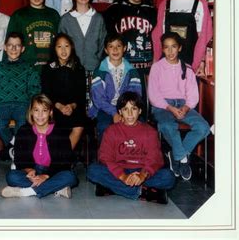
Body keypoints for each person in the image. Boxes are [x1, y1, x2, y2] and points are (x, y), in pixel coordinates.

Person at [87, 91, 176, 204]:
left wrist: (142, 175)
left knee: (168, 177)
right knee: (92, 170)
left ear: (139, 111)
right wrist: (123, 176)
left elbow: (154, 159)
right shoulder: (111, 131)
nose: (129, 114)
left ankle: (113, 188)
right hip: (119, 171)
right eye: (125, 109)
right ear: (120, 112)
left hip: (141, 171)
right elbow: (105, 158)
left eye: (133, 109)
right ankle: (142, 192)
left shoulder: (150, 132)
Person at [148, 32, 210, 181]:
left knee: (203, 127)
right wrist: (170, 108)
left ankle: (176, 156)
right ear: (162, 49)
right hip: (163, 106)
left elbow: (193, 95)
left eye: (174, 47)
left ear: (180, 48)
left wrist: (186, 108)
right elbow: (154, 95)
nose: (170, 51)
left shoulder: (187, 69)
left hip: (184, 105)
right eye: (166, 48)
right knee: (167, 125)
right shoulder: (156, 68)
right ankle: (183, 158)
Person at [0, 94, 78, 199]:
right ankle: (57, 188)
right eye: (36, 110)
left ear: (50, 112)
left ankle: (27, 191)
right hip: (33, 172)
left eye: (44, 111)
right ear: (31, 112)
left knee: (70, 177)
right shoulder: (24, 131)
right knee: (11, 176)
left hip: (53, 172)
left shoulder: (59, 131)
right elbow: (19, 159)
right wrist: (29, 170)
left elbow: (66, 161)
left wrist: (46, 176)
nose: (40, 115)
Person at [0, 32, 41, 159]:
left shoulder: (29, 68)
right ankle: (14, 144)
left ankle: (16, 151)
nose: (13, 49)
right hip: (1, 105)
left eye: (17, 46)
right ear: (5, 47)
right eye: (10, 45)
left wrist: (32, 107)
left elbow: (34, 88)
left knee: (24, 125)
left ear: (22, 48)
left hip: (23, 105)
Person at [103, 0, 157, 110]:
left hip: (144, 68)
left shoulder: (153, 12)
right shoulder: (113, 10)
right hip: (120, 67)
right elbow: (106, 39)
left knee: (140, 106)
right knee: (118, 104)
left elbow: (156, 39)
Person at [151, 0, 213, 76]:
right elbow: (159, 34)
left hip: (190, 62)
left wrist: (201, 61)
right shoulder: (165, 4)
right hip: (167, 62)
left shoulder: (200, 4)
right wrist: (156, 61)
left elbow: (202, 37)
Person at [88, 34, 142, 143]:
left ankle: (132, 155)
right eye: (111, 46)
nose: (115, 49)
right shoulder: (100, 71)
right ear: (106, 50)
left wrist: (125, 111)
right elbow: (98, 100)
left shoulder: (132, 71)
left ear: (125, 48)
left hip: (127, 108)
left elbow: (135, 95)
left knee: (139, 126)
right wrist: (114, 113)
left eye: (118, 46)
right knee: (104, 126)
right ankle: (105, 157)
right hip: (104, 109)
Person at [41, 33, 87, 150]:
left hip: (74, 106)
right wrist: (59, 106)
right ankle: (56, 157)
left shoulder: (78, 68)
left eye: (66, 46)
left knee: (79, 124)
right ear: (54, 49)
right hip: (54, 106)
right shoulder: (48, 68)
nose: (63, 50)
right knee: (54, 123)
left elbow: (81, 94)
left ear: (71, 48)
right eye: (59, 47)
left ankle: (64, 157)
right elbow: (46, 93)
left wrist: (71, 106)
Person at [6, 0, 60, 68]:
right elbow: (9, 44)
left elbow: (60, 41)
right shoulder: (18, 16)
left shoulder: (54, 15)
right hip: (26, 67)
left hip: (51, 67)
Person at [59, 0, 106, 73]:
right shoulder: (66, 20)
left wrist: (96, 62)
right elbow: (60, 45)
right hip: (72, 69)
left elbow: (102, 44)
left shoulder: (98, 19)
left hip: (94, 69)